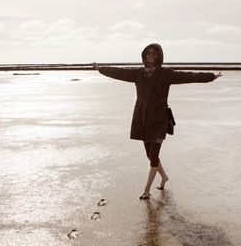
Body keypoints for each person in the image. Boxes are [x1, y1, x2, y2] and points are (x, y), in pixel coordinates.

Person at [93, 43, 222, 200]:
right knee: (149, 154)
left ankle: (146, 190)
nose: (151, 57)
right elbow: (119, 72)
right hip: (142, 117)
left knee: (153, 156)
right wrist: (101, 69)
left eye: (154, 54)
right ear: (144, 56)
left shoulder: (166, 74)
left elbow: (188, 76)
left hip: (159, 118)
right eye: (148, 54)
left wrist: (210, 76)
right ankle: (164, 177)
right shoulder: (137, 73)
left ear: (159, 56)